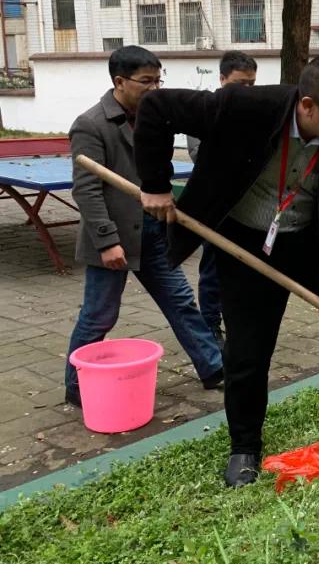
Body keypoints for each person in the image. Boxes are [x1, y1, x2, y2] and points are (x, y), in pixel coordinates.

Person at [135, 53, 319, 488]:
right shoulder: (243, 107)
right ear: (307, 106)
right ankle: (245, 449)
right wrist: (154, 183)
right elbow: (156, 109)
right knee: (247, 349)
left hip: (310, 238)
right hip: (245, 240)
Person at [64, 46, 224, 408]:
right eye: (145, 81)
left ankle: (214, 368)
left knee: (182, 302)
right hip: (114, 237)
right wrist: (107, 242)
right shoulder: (90, 125)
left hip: (152, 233)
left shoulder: (157, 119)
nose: (154, 89)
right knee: (99, 316)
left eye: (158, 80)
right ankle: (78, 387)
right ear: (119, 82)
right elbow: (86, 190)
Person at [188, 51, 259, 347]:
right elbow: (197, 153)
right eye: (240, 83)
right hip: (215, 206)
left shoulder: (258, 109)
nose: (247, 91)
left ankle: (239, 322)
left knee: (245, 269)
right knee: (213, 269)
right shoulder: (204, 109)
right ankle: (210, 325)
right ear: (222, 79)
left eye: (252, 84)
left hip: (248, 206)